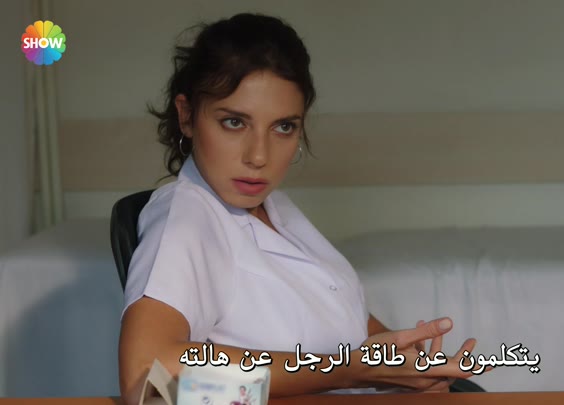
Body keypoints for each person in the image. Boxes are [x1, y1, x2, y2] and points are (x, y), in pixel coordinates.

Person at [118, 13, 481, 405]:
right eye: (234, 122)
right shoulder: (187, 220)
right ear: (187, 116)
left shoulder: (272, 207)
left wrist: (405, 365)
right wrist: (344, 371)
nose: (259, 156)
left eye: (283, 127)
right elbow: (146, 377)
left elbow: (347, 324)